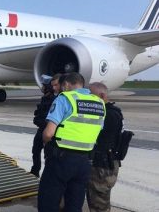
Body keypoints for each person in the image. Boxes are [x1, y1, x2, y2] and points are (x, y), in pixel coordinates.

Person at [38, 72, 106, 212]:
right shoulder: (99, 103)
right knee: (74, 204)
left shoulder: (65, 98)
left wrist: (46, 142)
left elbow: (49, 133)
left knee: (48, 201)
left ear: (67, 85)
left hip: (61, 159)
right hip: (85, 162)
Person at [87, 82, 123, 212]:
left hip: (102, 164)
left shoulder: (107, 114)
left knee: (99, 202)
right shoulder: (111, 111)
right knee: (97, 199)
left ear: (102, 95)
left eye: (91, 95)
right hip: (105, 162)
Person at [30, 74, 58, 177]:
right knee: (35, 151)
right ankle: (35, 170)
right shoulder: (45, 98)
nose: (42, 88)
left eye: (44, 86)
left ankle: (47, 173)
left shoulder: (53, 100)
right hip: (41, 129)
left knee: (48, 154)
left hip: (47, 130)